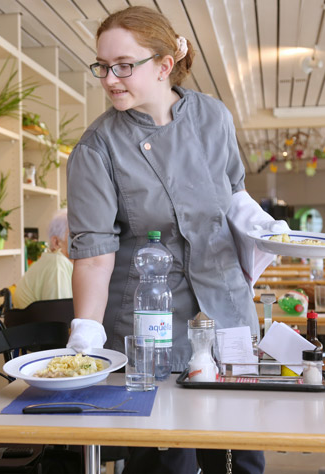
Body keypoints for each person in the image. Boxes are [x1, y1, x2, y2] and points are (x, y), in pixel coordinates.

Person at [65, 6, 290, 474]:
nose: (109, 79)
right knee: (168, 461)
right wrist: (84, 340)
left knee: (241, 454)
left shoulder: (212, 116)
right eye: (102, 66)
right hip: (151, 323)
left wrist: (267, 229)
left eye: (124, 65)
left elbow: (231, 193)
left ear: (165, 64)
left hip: (226, 311)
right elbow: (93, 256)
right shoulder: (97, 147)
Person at [13, 209, 73, 309]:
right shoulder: (57, 264)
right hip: (34, 323)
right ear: (56, 242)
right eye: (74, 235)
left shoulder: (54, 261)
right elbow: (61, 315)